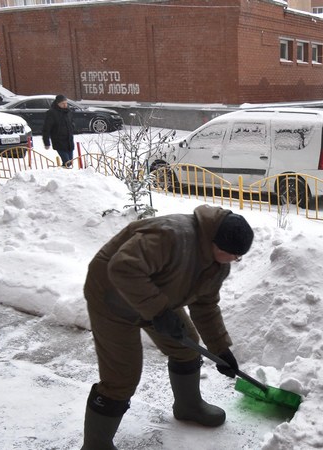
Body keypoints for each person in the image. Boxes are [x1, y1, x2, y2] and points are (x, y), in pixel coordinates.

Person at [81, 205, 254, 449]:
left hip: (157, 295)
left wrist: (221, 349)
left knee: (187, 347)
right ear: (217, 245)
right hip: (111, 296)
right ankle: (95, 446)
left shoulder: (216, 265)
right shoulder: (172, 236)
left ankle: (188, 406)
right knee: (122, 377)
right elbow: (123, 267)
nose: (236, 261)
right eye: (235, 256)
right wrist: (159, 312)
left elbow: (205, 306)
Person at [42, 94, 76, 167]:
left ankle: (63, 174)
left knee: (70, 162)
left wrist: (72, 127)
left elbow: (72, 122)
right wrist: (46, 142)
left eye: (66, 103)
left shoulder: (68, 112)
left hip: (69, 140)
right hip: (59, 141)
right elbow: (46, 129)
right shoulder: (51, 113)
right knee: (67, 162)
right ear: (57, 104)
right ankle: (63, 173)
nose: (65, 105)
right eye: (63, 104)